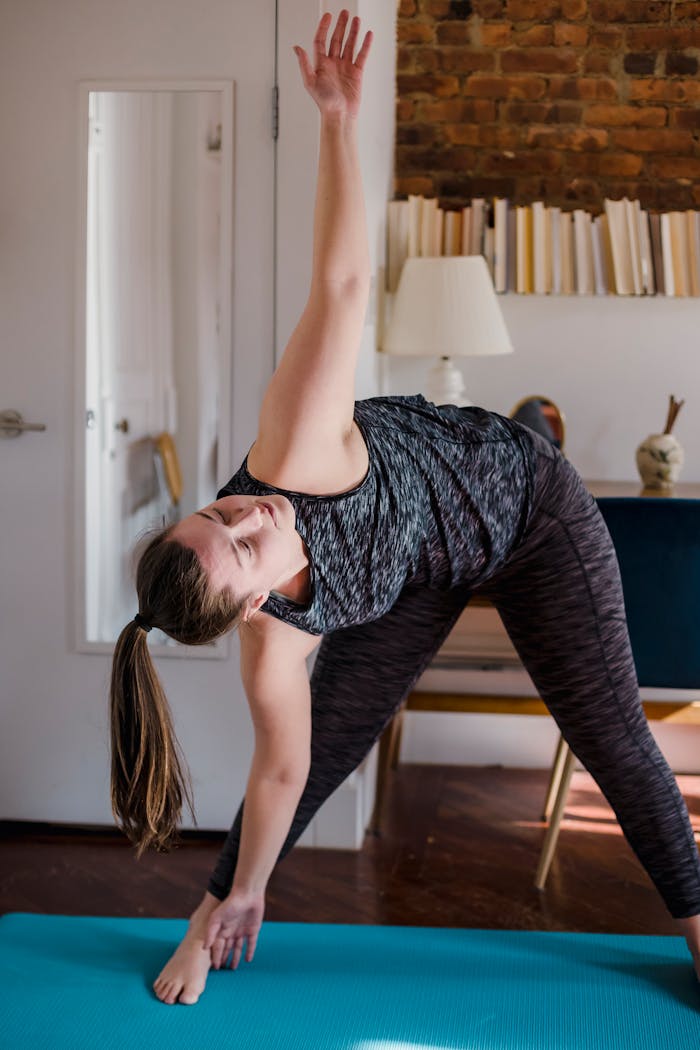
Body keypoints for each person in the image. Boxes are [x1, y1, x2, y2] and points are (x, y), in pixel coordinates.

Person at [109, 10, 700, 1007]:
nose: (251, 515)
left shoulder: (288, 451)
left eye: (220, 513)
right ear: (257, 608)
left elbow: (341, 286)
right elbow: (278, 775)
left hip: (530, 513)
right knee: (323, 749)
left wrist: (337, 124)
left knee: (607, 731)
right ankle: (208, 926)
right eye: (243, 547)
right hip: (417, 570)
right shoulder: (277, 650)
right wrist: (243, 894)